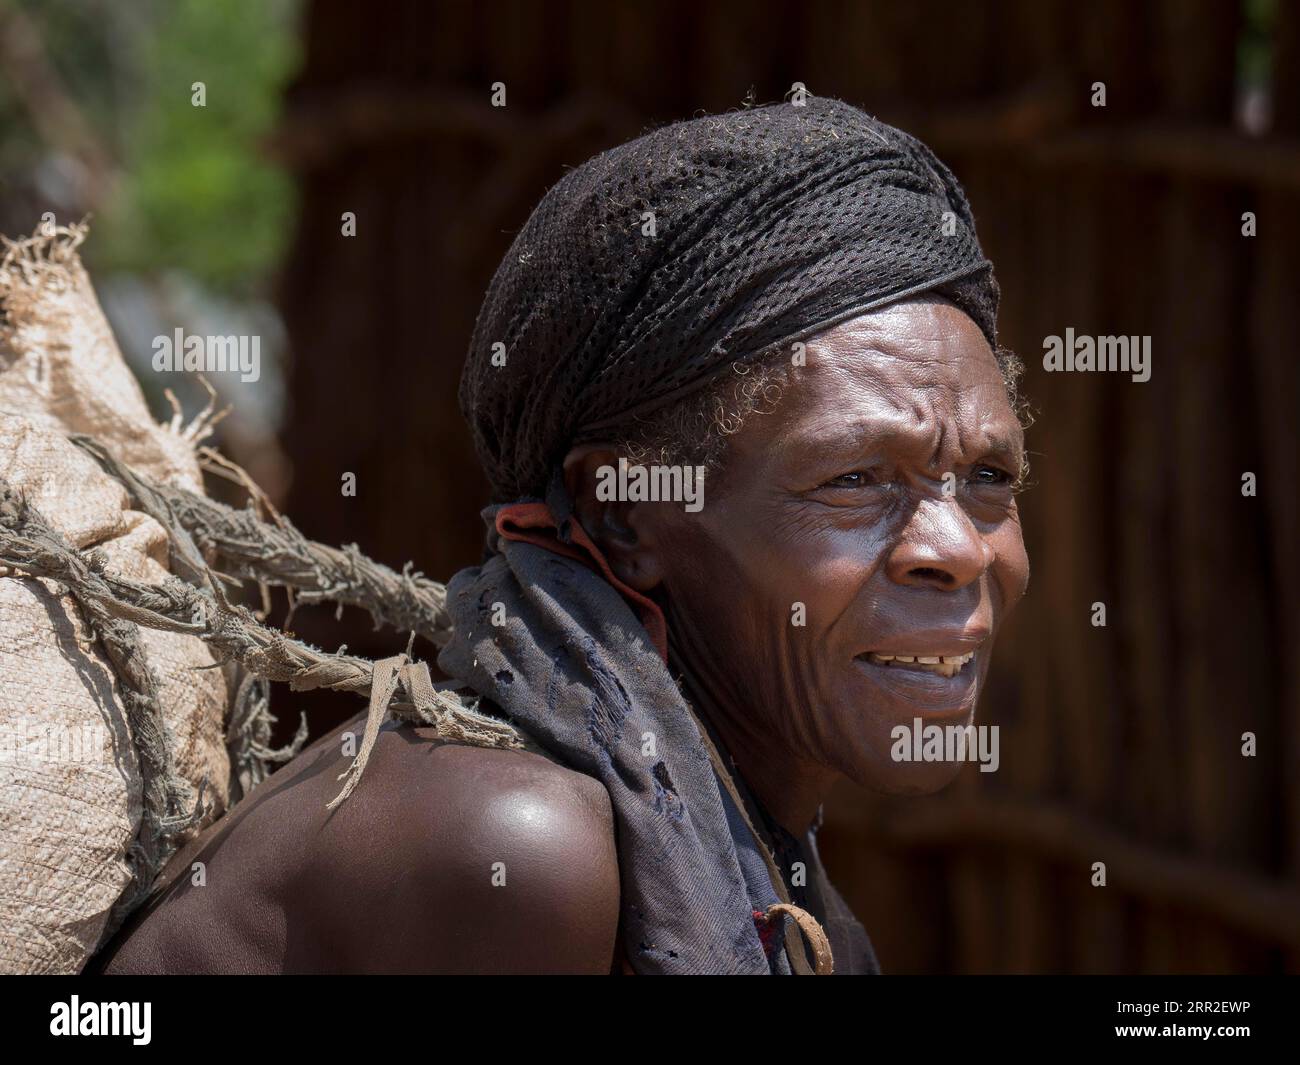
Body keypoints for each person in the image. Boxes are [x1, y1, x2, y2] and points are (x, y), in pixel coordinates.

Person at [94, 96, 1029, 975]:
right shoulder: (512, 846)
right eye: (855, 480)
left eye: (989, 477)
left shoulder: (773, 875)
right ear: (620, 514)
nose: (959, 549)